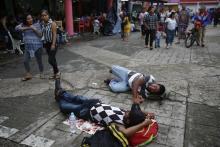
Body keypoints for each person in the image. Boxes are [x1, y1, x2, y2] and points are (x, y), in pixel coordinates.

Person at [54, 79, 154, 137]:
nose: (127, 111)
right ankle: (61, 93)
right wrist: (146, 115)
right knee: (77, 98)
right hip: (94, 103)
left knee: (66, 106)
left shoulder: (120, 124)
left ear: (128, 121)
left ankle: (60, 98)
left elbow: (126, 133)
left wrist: (144, 124)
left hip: (87, 112)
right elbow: (140, 110)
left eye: (128, 113)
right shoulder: (129, 116)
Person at [16, 13, 44, 81]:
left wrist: (34, 29)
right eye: (28, 19)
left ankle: (42, 72)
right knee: (25, 61)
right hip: (28, 47)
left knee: (39, 60)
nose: (30, 19)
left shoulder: (37, 24)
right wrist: (28, 28)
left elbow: (40, 35)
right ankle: (28, 74)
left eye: (31, 18)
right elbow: (17, 28)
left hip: (37, 46)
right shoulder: (23, 25)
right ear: (25, 20)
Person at [41, 10, 60, 79]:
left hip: (53, 43)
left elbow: (54, 34)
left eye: (45, 15)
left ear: (48, 15)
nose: (44, 17)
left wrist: (53, 44)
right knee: (53, 59)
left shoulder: (52, 23)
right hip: (47, 44)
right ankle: (55, 73)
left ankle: (57, 72)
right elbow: (42, 34)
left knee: (50, 60)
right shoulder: (43, 24)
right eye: (42, 15)